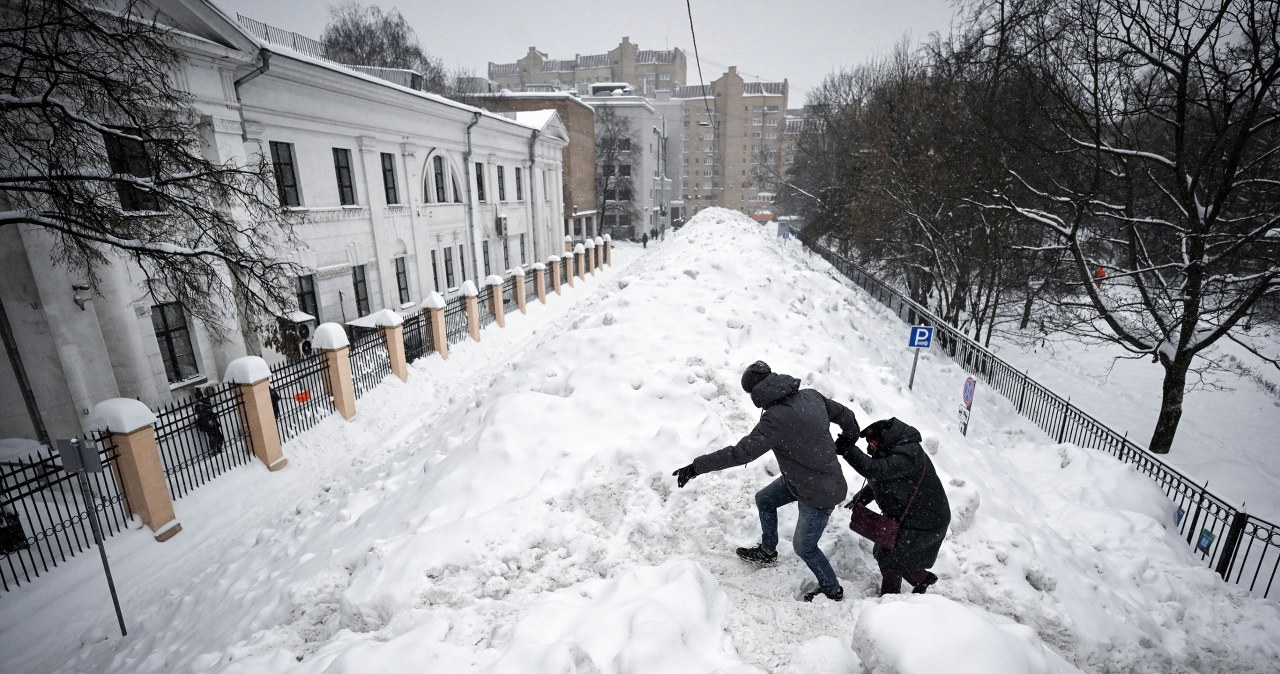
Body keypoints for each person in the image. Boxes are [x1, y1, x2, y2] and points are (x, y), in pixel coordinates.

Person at [673, 361, 861, 602]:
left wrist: (696, 467)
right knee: (765, 499)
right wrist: (849, 437)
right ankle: (767, 551)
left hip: (818, 494)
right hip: (803, 480)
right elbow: (846, 415)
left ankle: (832, 589)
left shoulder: (775, 421)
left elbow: (739, 453)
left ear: (756, 393)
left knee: (805, 547)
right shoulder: (811, 396)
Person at [839, 418, 950, 595]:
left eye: (874, 442)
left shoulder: (907, 454)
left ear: (886, 436)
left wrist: (848, 450)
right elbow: (883, 479)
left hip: (926, 519)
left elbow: (876, 470)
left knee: (890, 558)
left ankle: (890, 600)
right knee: (893, 554)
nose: (872, 446)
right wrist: (864, 497)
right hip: (913, 515)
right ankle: (922, 578)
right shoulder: (893, 448)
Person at [193, 387, 225, 454]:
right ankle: (214, 450)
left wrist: (213, 415)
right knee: (213, 437)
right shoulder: (198, 407)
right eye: (199, 396)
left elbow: (208, 411)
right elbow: (203, 415)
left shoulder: (205, 402)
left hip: (211, 422)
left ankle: (218, 448)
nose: (200, 397)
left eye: (200, 394)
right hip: (208, 423)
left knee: (218, 436)